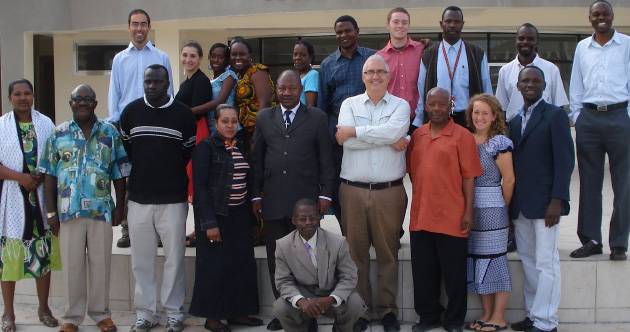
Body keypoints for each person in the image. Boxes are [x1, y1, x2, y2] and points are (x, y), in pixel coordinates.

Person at [38, 85, 131, 332]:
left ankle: (101, 314)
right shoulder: (59, 134)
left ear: (95, 103)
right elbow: (49, 175)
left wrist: (120, 208)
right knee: (72, 267)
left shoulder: (110, 132)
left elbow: (120, 174)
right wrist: (51, 214)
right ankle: (72, 316)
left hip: (101, 210)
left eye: (87, 99)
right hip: (68, 212)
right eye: (77, 99)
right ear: (70, 103)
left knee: (101, 265)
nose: (82, 103)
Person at [251, 70, 334, 331]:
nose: (287, 93)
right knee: (278, 258)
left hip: (307, 202)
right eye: (282, 89)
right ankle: (284, 312)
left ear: (301, 89)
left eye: (292, 88)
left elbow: (326, 160)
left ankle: (309, 314)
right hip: (274, 200)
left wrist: (325, 194)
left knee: (309, 260)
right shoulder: (265, 117)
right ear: (276, 90)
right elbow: (257, 159)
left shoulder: (317, 117)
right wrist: (255, 193)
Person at [119, 64, 196, 332]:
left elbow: (186, 152)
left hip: (173, 199)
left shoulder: (184, 115)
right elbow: (127, 152)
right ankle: (146, 313)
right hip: (139, 199)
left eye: (157, 82)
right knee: (142, 259)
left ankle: (174, 313)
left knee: (175, 259)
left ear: (168, 84)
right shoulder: (131, 112)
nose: (151, 86)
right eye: (147, 81)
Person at [336, 55, 409, 332]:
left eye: (380, 71)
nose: (375, 75)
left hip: (389, 192)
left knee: (388, 253)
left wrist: (356, 132)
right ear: (363, 76)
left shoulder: (401, 105)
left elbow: (393, 131)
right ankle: (362, 311)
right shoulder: (348, 104)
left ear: (388, 76)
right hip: (352, 191)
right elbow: (347, 144)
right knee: (356, 255)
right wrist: (388, 138)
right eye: (370, 72)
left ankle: (388, 310)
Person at [407, 87, 482, 332]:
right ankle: (428, 317)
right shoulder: (417, 135)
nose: (436, 109)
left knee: (454, 273)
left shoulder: (463, 136)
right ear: (425, 106)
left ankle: (453, 320)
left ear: (450, 106)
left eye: (442, 104)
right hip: (422, 215)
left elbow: (469, 177)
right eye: (432, 104)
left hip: (452, 215)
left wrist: (468, 212)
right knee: (423, 271)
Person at [508, 66, 574, 332]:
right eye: (526, 81)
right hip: (522, 206)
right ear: (518, 86)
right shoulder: (513, 121)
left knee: (546, 263)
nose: (531, 84)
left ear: (545, 86)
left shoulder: (556, 116)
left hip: (547, 204)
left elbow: (565, 161)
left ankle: (547, 322)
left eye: (536, 81)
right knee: (528, 260)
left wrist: (557, 198)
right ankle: (534, 315)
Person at [188, 104, 262, 332]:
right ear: (215, 123)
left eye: (234, 121)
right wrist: (209, 223)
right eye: (225, 121)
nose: (230, 125)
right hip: (216, 216)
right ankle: (212, 318)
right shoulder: (206, 147)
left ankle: (237, 313)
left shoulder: (239, 145)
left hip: (238, 215)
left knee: (241, 264)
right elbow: (199, 187)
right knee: (215, 267)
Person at [569, 0, 630, 261]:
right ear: (590, 18)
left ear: (612, 16)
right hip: (590, 119)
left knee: (624, 184)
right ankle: (591, 240)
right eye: (596, 14)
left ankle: (618, 243)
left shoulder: (627, 44)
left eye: (605, 13)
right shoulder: (583, 47)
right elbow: (576, 84)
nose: (601, 18)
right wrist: (577, 116)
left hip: (619, 117)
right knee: (589, 183)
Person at [107, 8, 173, 248]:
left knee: (154, 174)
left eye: (143, 24)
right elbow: (114, 92)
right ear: (129, 27)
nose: (139, 28)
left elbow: (169, 91)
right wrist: (114, 121)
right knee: (127, 175)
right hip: (128, 125)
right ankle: (127, 230)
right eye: (135, 24)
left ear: (149, 26)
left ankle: (155, 232)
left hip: (155, 122)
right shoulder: (119, 59)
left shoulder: (161, 57)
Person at [0, 79, 60, 332]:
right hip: (14, 197)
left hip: (42, 198)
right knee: (10, 259)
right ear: (10, 97)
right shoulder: (1, 126)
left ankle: (43, 308)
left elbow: (56, 157)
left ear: (33, 95)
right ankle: (8, 313)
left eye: (27, 93)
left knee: (42, 254)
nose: (23, 98)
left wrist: (40, 178)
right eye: (17, 94)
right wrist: (21, 177)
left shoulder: (46, 123)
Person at [318, 15, 376, 233]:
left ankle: (374, 229)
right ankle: (347, 229)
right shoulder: (327, 65)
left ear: (357, 31)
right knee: (340, 183)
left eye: (347, 31)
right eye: (339, 32)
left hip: (370, 129)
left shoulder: (372, 58)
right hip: (338, 133)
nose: (343, 35)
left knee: (370, 180)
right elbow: (323, 104)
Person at [273, 198, 366, 332]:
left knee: (355, 302)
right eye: (302, 219)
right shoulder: (283, 245)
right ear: (294, 221)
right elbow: (283, 281)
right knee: (280, 307)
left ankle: (341, 328)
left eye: (313, 218)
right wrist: (301, 301)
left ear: (319, 218)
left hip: (330, 294)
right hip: (303, 296)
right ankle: (302, 328)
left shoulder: (337, 242)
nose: (308, 222)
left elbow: (349, 276)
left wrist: (331, 299)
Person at [464, 94, 514, 332]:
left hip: (493, 208)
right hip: (472, 209)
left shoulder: (499, 142)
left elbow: (509, 180)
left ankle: (499, 316)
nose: (480, 117)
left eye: (485, 113)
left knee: (495, 261)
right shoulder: (467, 139)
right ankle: (486, 313)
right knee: (479, 261)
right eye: (476, 112)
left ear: (494, 116)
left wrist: (501, 207)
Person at [414, 6, 492, 130]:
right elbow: (421, 89)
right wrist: (419, 120)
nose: (452, 25)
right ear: (441, 24)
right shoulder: (429, 54)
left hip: (468, 119)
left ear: (462, 24)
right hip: (438, 118)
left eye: (457, 22)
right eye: (448, 21)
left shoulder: (476, 53)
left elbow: (487, 90)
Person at [495, 23, 569, 122]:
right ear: (516, 41)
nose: (525, 42)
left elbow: (559, 105)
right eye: (521, 38)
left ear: (537, 42)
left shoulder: (551, 69)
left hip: (544, 128)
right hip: (514, 128)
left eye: (530, 39)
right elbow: (501, 108)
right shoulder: (505, 71)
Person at [375, 7, 427, 124]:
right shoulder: (379, 58)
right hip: (389, 119)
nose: (400, 26)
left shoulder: (422, 50)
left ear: (408, 25)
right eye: (396, 22)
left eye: (404, 22)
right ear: (388, 25)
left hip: (418, 119)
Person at [175, 40, 212, 203]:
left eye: (192, 56)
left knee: (195, 176)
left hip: (197, 130)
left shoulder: (201, 81)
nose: (188, 59)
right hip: (186, 129)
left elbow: (196, 111)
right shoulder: (186, 83)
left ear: (200, 58)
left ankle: (201, 226)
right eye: (184, 55)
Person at [230, 36, 277, 155]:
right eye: (234, 54)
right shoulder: (240, 75)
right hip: (245, 132)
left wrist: (257, 134)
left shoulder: (257, 71)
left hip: (260, 131)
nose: (238, 58)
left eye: (242, 54)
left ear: (250, 55)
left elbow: (264, 103)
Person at [208, 43, 238, 132]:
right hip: (213, 128)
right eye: (213, 56)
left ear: (227, 60)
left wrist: (191, 111)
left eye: (220, 57)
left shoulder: (229, 76)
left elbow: (219, 101)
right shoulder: (211, 79)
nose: (216, 60)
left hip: (229, 129)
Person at [293, 40, 319, 106]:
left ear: (310, 57)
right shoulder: (297, 76)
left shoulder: (312, 75)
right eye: (295, 54)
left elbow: (310, 106)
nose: (297, 58)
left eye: (302, 55)